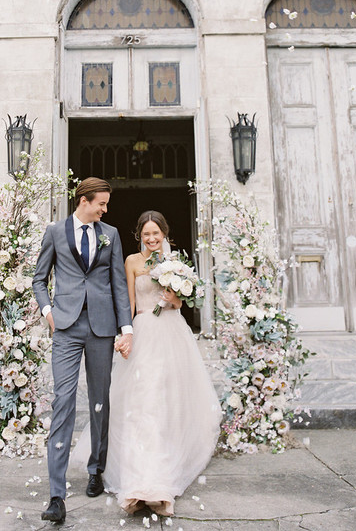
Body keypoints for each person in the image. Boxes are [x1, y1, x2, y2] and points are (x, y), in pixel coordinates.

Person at [102, 210, 222, 516]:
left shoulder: (176, 263)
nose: (151, 239)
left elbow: (182, 303)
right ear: (139, 236)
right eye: (146, 234)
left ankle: (161, 483)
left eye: (156, 234)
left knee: (165, 403)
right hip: (143, 333)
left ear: (164, 234)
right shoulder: (132, 262)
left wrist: (172, 295)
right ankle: (140, 482)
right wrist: (123, 334)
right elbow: (128, 302)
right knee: (142, 405)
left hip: (171, 334)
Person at [32, 177, 133, 525]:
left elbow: (118, 282)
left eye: (106, 204)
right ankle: (56, 494)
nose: (106, 209)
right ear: (84, 201)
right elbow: (38, 278)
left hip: (103, 328)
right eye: (101, 203)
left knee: (100, 400)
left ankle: (96, 469)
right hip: (66, 326)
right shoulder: (56, 232)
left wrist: (127, 328)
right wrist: (49, 314)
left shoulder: (112, 234)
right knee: (63, 400)